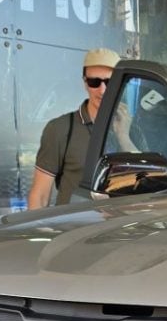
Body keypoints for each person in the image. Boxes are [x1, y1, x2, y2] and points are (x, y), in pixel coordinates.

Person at [28, 47, 136, 209]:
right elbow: (40, 195)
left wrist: (124, 137)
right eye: (94, 82)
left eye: (110, 82)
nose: (102, 90)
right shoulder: (60, 129)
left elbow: (143, 182)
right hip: (75, 229)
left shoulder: (132, 127)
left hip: (120, 228)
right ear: (85, 83)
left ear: (119, 84)